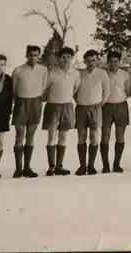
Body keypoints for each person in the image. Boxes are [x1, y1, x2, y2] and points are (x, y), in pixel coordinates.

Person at [42, 47, 80, 176]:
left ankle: (59, 166)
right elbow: (44, 89)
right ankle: (51, 166)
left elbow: (75, 89)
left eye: (68, 57)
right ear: (59, 58)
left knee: (63, 137)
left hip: (67, 107)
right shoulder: (51, 73)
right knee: (51, 136)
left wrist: (66, 97)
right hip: (53, 106)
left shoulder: (75, 73)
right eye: (63, 57)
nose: (66, 59)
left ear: (71, 58)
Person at [11, 45, 48, 178]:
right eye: (30, 55)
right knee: (19, 135)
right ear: (26, 55)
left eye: (36, 55)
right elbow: (14, 90)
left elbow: (43, 87)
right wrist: (20, 100)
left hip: (35, 103)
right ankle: (18, 168)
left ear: (39, 56)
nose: (33, 58)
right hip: (21, 102)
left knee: (30, 135)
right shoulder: (18, 70)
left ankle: (27, 167)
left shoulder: (43, 70)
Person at [75, 49, 110, 176]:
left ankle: (91, 166)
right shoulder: (80, 74)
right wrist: (80, 101)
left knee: (94, 135)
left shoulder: (102, 73)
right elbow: (75, 91)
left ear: (97, 61)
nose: (90, 63)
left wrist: (100, 104)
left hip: (96, 107)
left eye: (93, 60)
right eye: (88, 61)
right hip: (81, 108)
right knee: (81, 136)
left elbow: (106, 91)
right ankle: (82, 166)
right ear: (84, 61)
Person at [101, 51, 131, 173]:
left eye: (116, 61)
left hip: (121, 106)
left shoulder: (125, 75)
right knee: (105, 136)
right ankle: (105, 165)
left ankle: (116, 164)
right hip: (106, 106)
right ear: (107, 62)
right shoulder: (103, 74)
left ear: (120, 62)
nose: (113, 64)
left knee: (120, 135)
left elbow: (128, 91)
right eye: (111, 61)